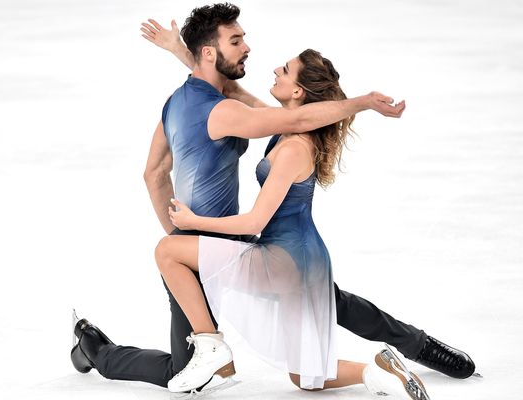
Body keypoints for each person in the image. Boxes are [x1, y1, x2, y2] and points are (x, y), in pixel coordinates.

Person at [69, 2, 471, 394]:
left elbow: (225, 106)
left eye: (283, 68)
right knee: (322, 328)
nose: (253, 52)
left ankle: (416, 349)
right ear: (210, 51)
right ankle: (408, 355)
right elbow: (239, 98)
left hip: (258, 244)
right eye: (237, 40)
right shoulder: (234, 112)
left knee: (325, 306)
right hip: (254, 246)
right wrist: (185, 52)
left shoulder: (220, 117)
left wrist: (184, 232)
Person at [156, 46, 430, 398]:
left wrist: (195, 219)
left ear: (298, 92)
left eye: (284, 71)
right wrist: (184, 49)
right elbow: (227, 88)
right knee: (304, 376)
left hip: (284, 258)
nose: (275, 71)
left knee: (168, 251)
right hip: (300, 255)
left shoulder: (293, 148)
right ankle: (377, 372)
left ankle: (210, 346)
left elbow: (254, 221)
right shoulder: (285, 127)